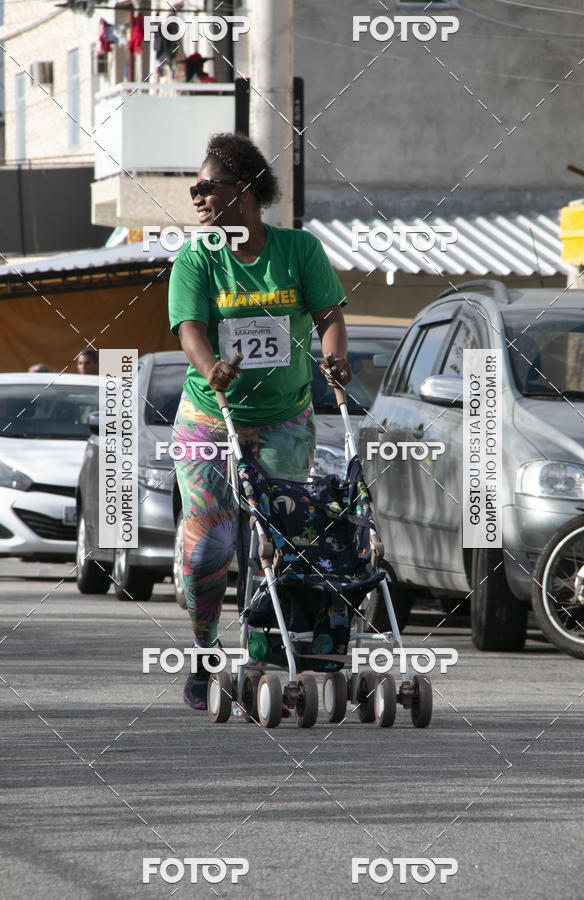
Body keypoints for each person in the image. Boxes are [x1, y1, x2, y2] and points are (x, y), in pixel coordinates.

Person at [168, 132, 352, 710]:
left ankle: (260, 663)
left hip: (284, 420)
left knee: (275, 544)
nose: (196, 197)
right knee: (212, 549)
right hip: (209, 419)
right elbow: (190, 328)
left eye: (207, 187)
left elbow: (328, 316)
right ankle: (203, 651)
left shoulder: (298, 250)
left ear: (243, 191)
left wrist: (335, 354)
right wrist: (212, 367)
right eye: (193, 189)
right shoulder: (197, 258)